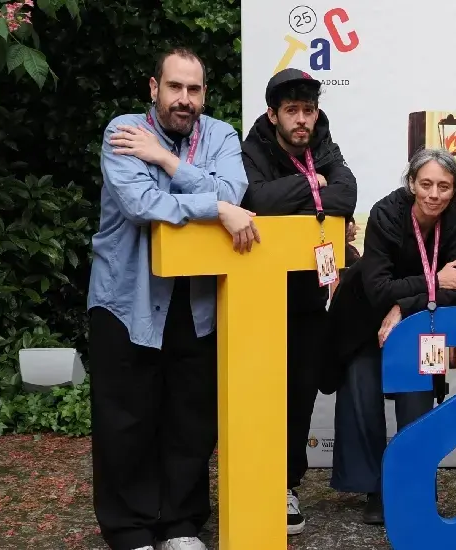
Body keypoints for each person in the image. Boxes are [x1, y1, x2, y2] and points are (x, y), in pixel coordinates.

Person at [87, 47, 258, 550]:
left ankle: (182, 524)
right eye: (175, 87)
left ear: (204, 93)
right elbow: (142, 204)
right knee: (127, 418)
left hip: (197, 301)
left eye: (194, 89)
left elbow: (235, 188)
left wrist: (163, 159)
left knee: (190, 416)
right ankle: (130, 528)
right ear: (154, 88)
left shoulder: (223, 135)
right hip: (127, 298)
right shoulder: (123, 131)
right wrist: (214, 207)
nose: (184, 99)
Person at [325, 148, 456, 524]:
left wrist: (404, 306)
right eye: (426, 184)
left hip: (419, 323)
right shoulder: (386, 212)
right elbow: (377, 287)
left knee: (417, 401)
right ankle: (376, 489)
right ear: (411, 183)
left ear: (455, 190)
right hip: (364, 319)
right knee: (362, 394)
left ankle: (412, 484)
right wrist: (432, 282)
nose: (434, 194)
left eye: (444, 186)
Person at [239, 67, 358, 535]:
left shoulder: (324, 144)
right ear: (273, 115)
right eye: (292, 111)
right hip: (257, 296)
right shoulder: (251, 149)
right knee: (258, 393)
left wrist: (320, 195)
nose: (302, 120)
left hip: (309, 298)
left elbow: (347, 193)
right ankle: (253, 480)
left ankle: (287, 484)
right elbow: (254, 198)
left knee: (300, 395)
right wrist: (315, 190)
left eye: (308, 110)